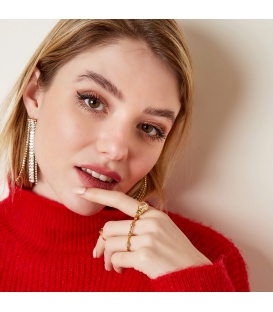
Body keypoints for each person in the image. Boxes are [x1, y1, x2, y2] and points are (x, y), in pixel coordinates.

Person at [0, 19, 249, 292]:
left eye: (149, 128)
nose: (117, 149)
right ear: (35, 94)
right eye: (93, 101)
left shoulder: (208, 261)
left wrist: (194, 285)